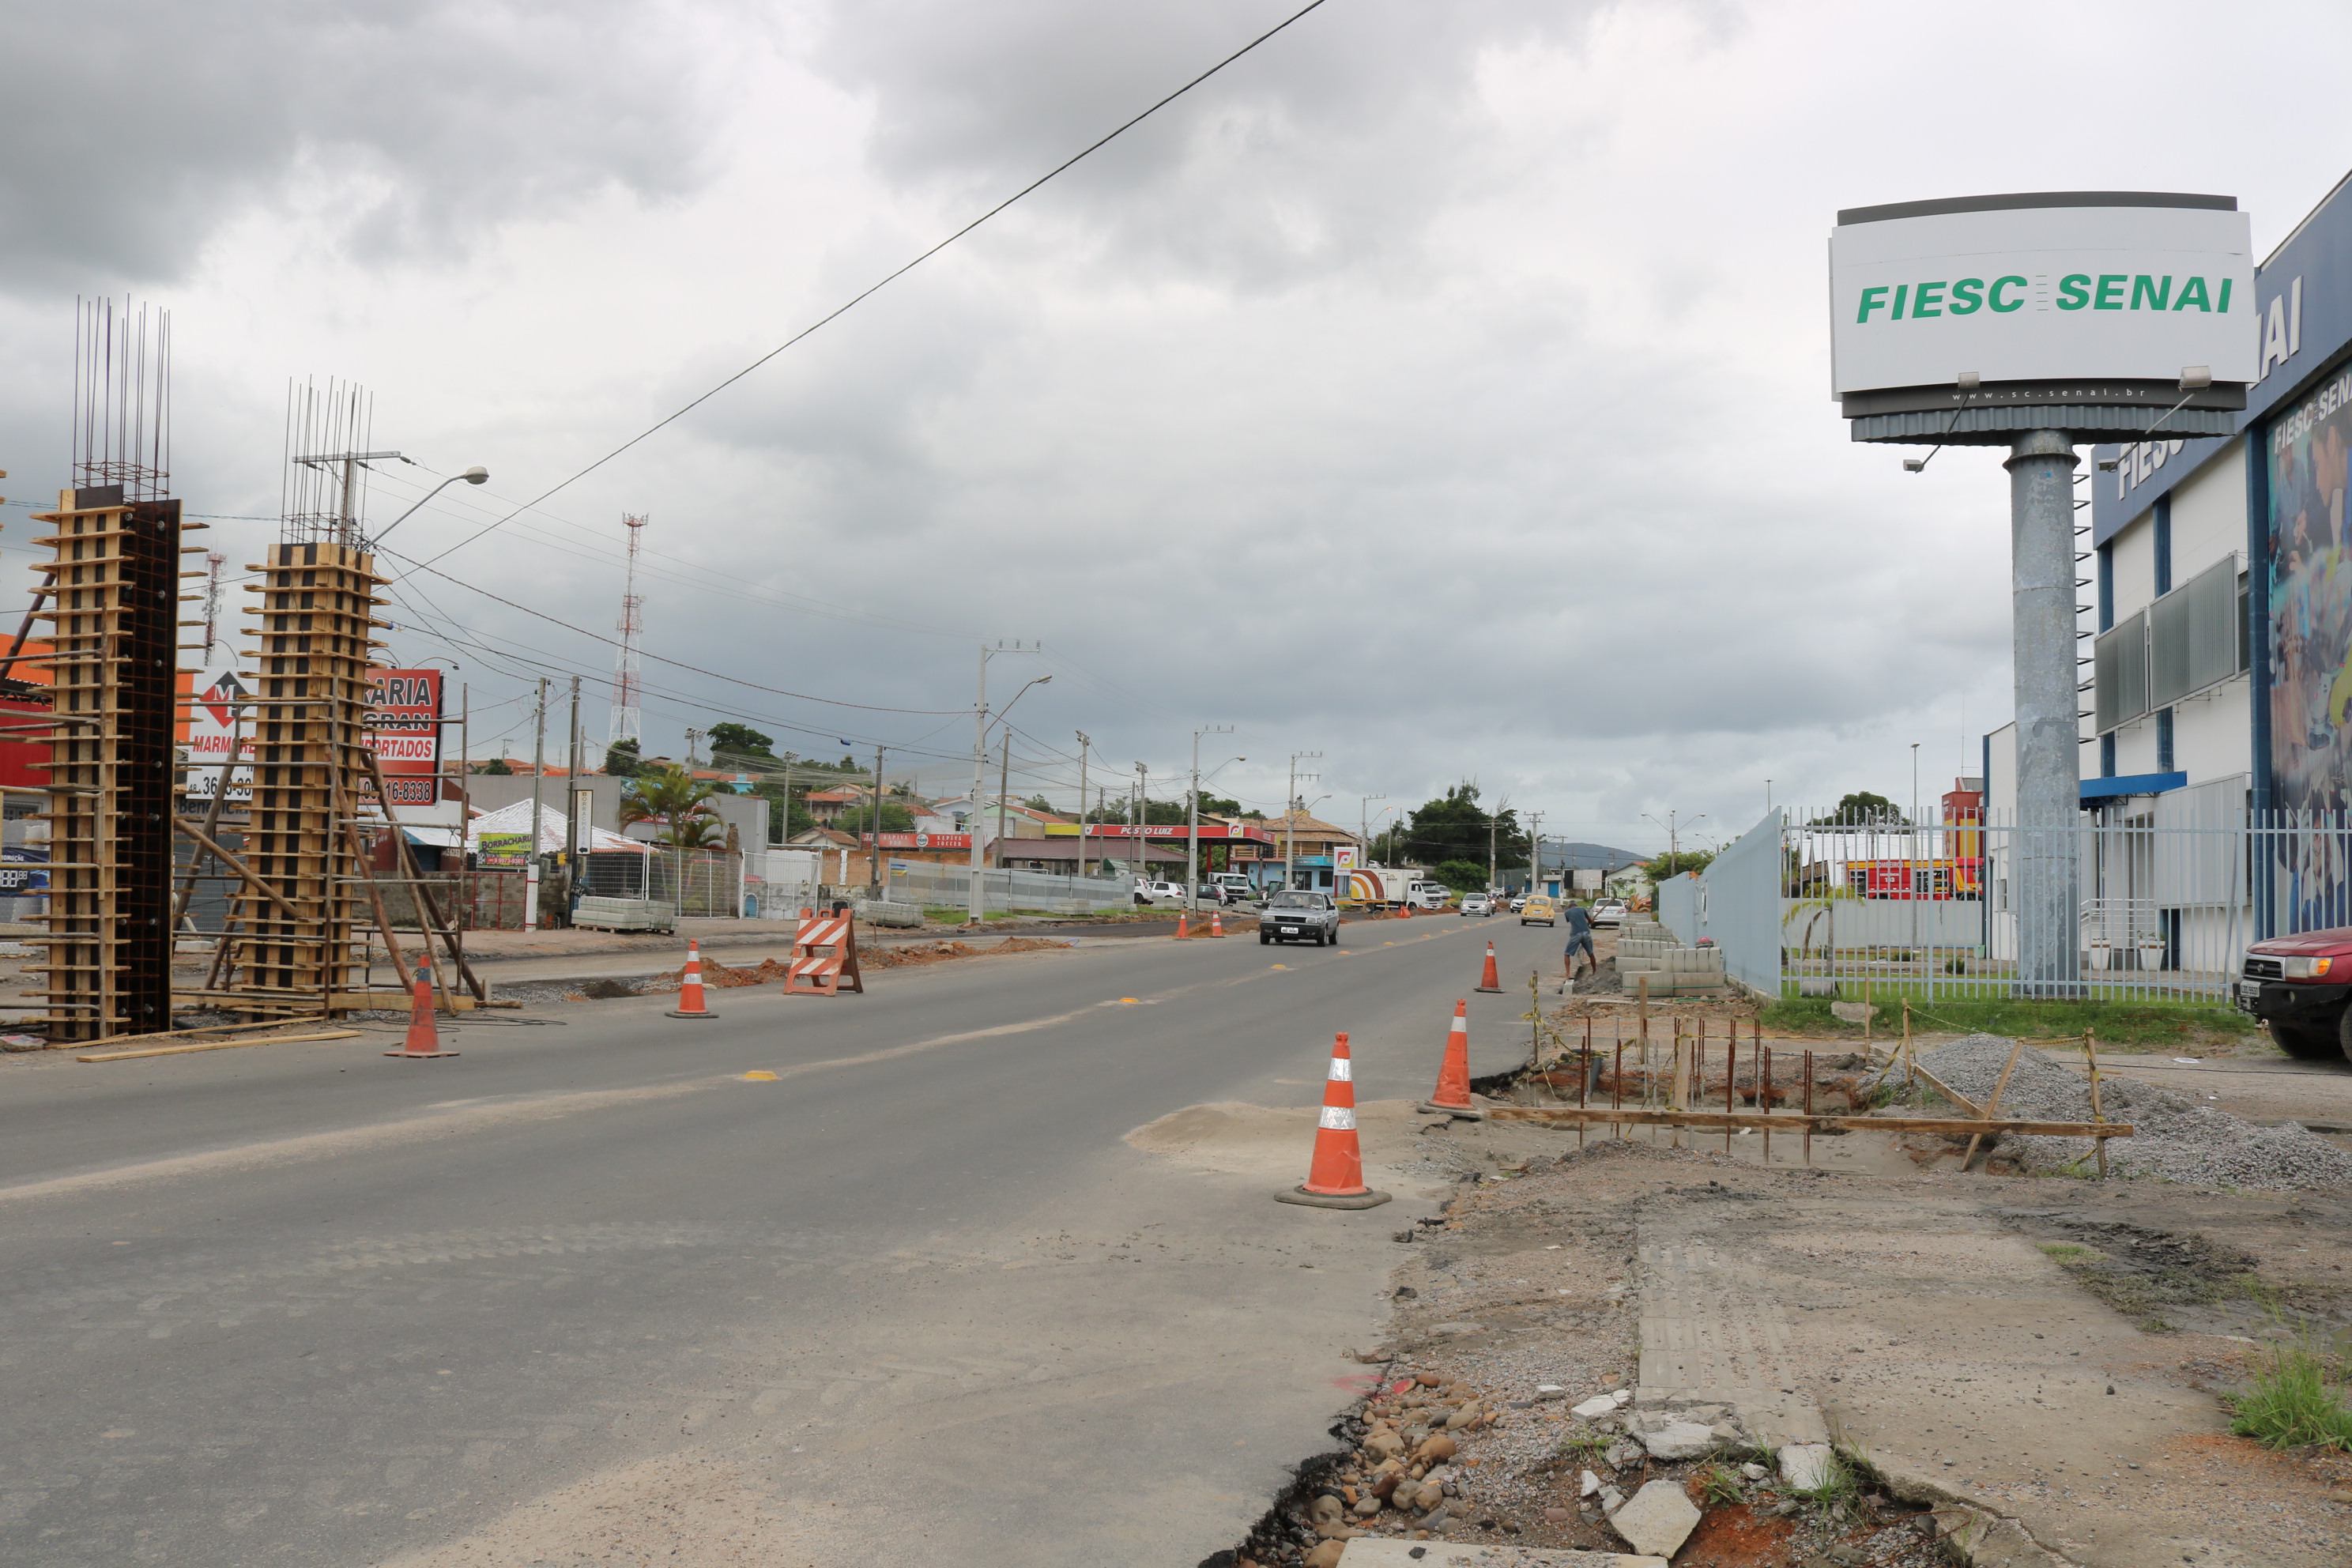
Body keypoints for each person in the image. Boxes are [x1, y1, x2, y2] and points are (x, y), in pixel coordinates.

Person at [1560, 899, 1596, 989]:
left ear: (1569, 906)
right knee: (1591, 954)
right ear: (1576, 905)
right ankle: (1594, 972)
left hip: (1576, 934)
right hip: (1586, 933)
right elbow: (1590, 921)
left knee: (1567, 954)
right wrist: (1591, 921)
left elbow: (1571, 921)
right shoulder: (1582, 909)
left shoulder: (1567, 913)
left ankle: (1568, 974)